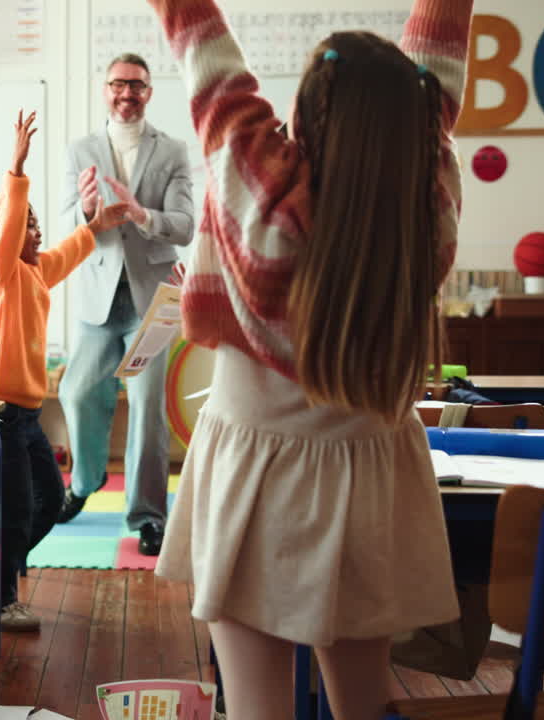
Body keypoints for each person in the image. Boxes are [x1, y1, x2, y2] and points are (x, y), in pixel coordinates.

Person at [145, 0, 473, 718]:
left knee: (257, 710)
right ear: (412, 125)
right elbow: (437, 82)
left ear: (307, 120)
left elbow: (205, 56)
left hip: (254, 472)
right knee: (360, 706)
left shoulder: (256, 196)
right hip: (369, 471)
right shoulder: (427, 210)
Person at [0, 110, 130, 631]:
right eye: (26, 223)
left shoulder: (35, 274)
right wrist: (15, 166)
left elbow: (71, 249)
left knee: (50, 502)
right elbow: (8, 227)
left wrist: (99, 223)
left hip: (28, 414)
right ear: (2, 237)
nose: (34, 229)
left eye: (37, 221)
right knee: (14, 511)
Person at [57, 52, 194, 556]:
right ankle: (84, 482)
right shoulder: (81, 149)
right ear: (105, 89)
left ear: (149, 92)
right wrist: (89, 208)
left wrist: (141, 214)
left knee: (146, 409)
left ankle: (147, 515)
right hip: (97, 294)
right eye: (118, 84)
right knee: (76, 391)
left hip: (152, 297)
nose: (126, 94)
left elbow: (184, 225)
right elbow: (68, 220)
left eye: (136, 86)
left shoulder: (173, 150)